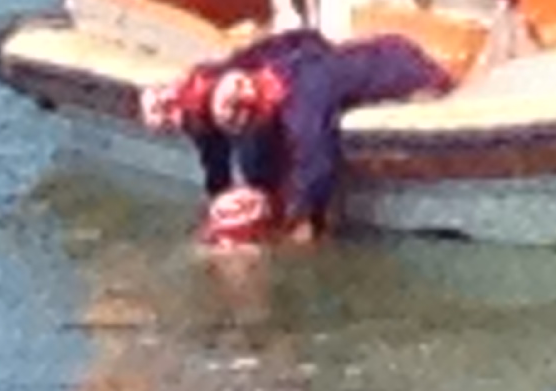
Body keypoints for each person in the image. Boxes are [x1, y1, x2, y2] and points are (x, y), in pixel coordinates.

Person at [140, 27, 452, 245]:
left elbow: (316, 164)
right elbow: (216, 153)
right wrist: (222, 194)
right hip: (341, 58)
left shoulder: (302, 100)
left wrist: (302, 222)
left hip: (409, 69)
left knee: (292, 167)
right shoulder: (236, 87)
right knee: (258, 160)